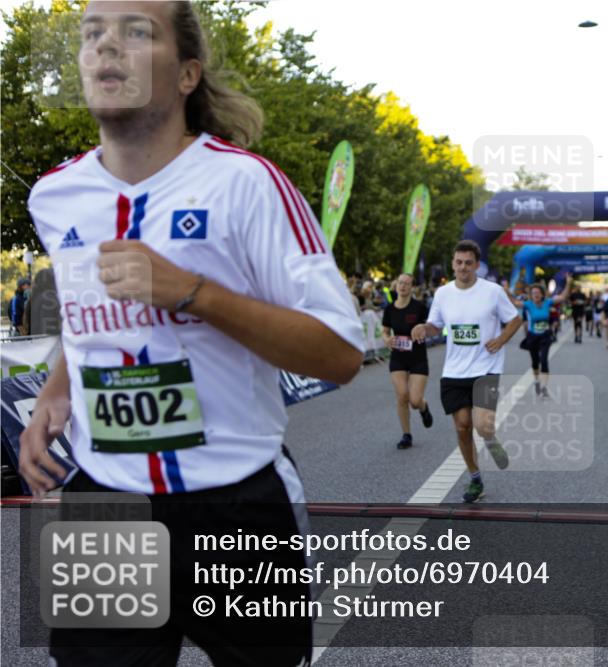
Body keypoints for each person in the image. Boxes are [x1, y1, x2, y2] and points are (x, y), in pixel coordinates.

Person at [19, 2, 365, 665]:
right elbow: (89, 310)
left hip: (235, 503)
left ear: (186, 74)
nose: (106, 46)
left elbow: (341, 353)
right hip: (104, 502)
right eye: (92, 34)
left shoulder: (248, 183)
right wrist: (55, 392)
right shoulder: (54, 194)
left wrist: (192, 292)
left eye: (135, 31)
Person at [411, 240, 521, 503]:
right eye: (459, 262)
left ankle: (489, 438)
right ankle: (475, 479)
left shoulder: (493, 291)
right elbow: (436, 325)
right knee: (462, 427)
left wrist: (501, 339)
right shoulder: (443, 294)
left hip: (486, 368)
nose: (463, 267)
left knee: (482, 426)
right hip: (454, 371)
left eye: (468, 263)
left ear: (477, 265)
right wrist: (424, 328)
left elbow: (515, 319)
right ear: (453, 263)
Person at [381, 272, 433, 449]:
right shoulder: (389, 309)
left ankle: (424, 407)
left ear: (412, 287)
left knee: (415, 401)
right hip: (398, 357)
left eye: (406, 283)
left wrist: (424, 329)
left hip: (418, 357)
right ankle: (406, 435)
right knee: (402, 395)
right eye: (400, 283)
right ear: (396, 285)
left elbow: (432, 327)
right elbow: (384, 331)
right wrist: (387, 340)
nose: (402, 286)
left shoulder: (419, 307)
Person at [518, 279, 572, 397]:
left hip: (545, 336)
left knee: (544, 360)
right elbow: (514, 302)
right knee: (535, 362)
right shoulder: (528, 304)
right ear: (531, 295)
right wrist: (505, 291)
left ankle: (544, 387)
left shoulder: (547, 302)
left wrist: (568, 283)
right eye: (533, 293)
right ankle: (537, 381)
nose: (536, 295)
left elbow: (563, 297)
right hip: (532, 336)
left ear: (542, 294)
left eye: (538, 292)